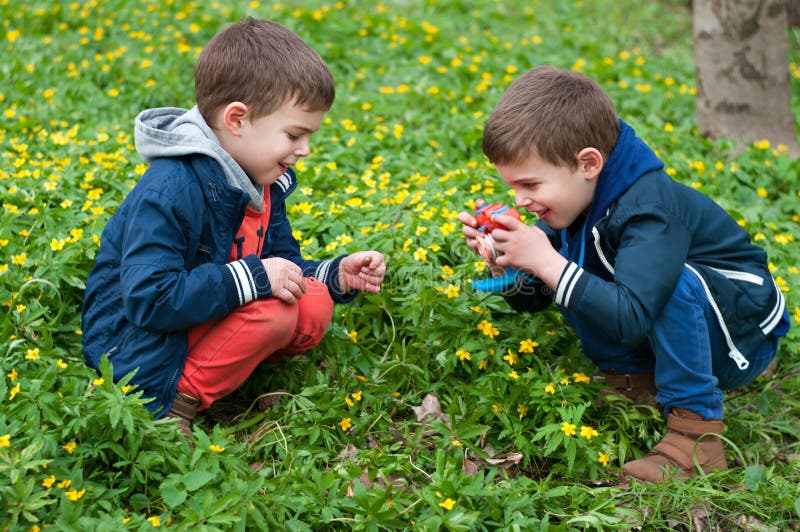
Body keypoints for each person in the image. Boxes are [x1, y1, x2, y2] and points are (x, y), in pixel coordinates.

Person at [458, 66, 789, 482]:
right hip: (682, 326)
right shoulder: (577, 201)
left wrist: (546, 260)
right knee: (569, 271)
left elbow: (631, 315)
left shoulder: (649, 209)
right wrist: (506, 263)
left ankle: (695, 437)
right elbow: (536, 297)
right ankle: (633, 382)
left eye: (530, 184)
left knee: (660, 281)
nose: (521, 201)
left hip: (739, 336)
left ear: (588, 163)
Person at [81, 18, 386, 437]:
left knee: (313, 301)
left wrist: (335, 274)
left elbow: (283, 264)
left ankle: (234, 363)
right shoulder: (169, 191)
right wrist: (256, 278)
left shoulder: (259, 181)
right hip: (136, 345)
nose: (305, 150)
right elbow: (148, 300)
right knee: (275, 311)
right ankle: (175, 405)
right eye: (295, 134)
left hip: (201, 312)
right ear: (238, 119)